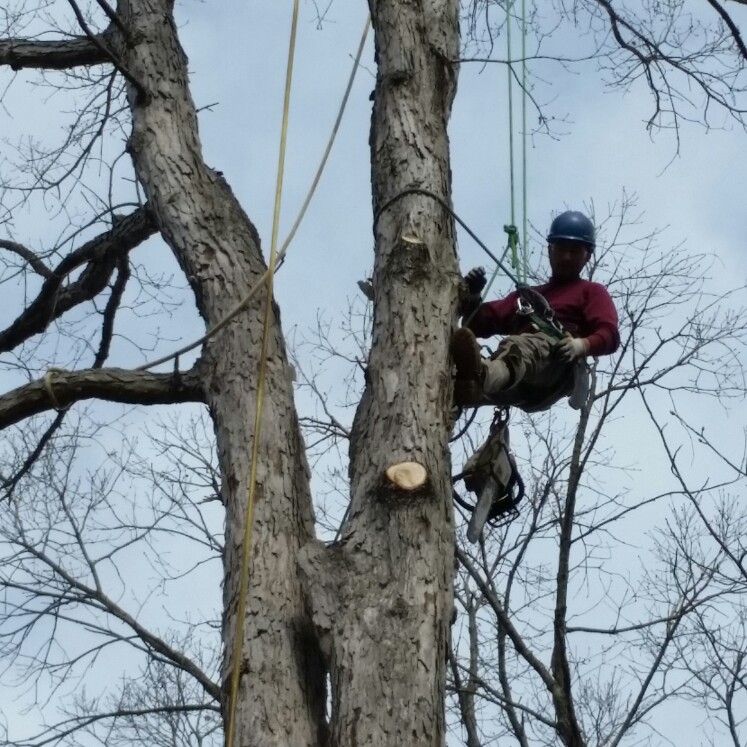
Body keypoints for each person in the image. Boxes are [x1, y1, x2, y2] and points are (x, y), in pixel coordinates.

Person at [451, 210, 620, 412]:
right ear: (549, 250)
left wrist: (581, 345)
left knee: (529, 345)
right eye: (561, 249)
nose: (566, 257)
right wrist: (473, 297)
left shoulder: (591, 292)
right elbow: (476, 325)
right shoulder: (528, 298)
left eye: (575, 251)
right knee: (454, 384)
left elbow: (610, 335)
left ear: (588, 256)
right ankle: (464, 389)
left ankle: (483, 376)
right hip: (516, 382)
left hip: (555, 368)